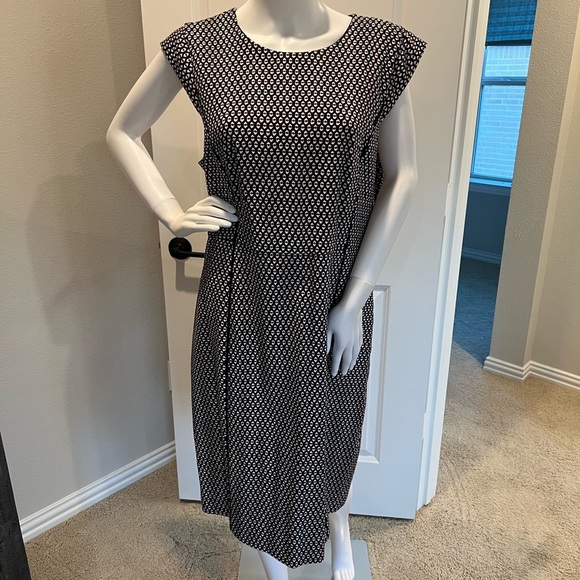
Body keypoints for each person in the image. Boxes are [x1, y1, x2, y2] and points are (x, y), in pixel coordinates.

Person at [107, 1, 426, 578]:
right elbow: (122, 130)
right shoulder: (201, 47)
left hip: (333, 290)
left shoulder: (381, 49)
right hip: (241, 288)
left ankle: (339, 530)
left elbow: (402, 174)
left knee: (330, 424)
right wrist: (172, 212)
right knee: (253, 432)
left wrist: (355, 298)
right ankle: (271, 563)